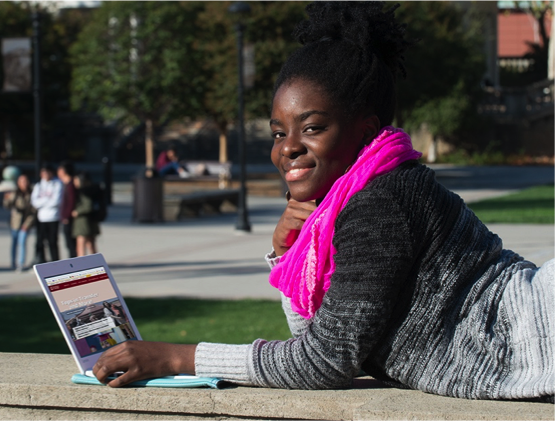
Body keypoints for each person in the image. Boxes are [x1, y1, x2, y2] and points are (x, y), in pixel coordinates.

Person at [91, 0, 554, 402]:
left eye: (311, 128)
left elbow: (323, 362)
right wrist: (291, 252)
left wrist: (174, 356)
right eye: (278, 132)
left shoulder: (384, 200)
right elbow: (323, 342)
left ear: (367, 130)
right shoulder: (360, 199)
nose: (287, 147)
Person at [3, 173, 35, 271]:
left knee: (22, 242)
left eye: (25, 181)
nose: (23, 183)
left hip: (26, 221)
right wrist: (6, 199)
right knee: (14, 242)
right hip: (15, 222)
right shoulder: (15, 193)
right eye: (21, 181)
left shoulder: (32, 193)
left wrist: (28, 224)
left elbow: (34, 211)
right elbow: (7, 206)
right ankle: (13, 262)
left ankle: (21, 264)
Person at [31, 164, 63, 263]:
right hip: (41, 217)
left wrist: (42, 201)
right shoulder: (39, 185)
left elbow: (56, 201)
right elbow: (34, 202)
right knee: (40, 241)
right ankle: (41, 260)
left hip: (53, 217)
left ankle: (55, 262)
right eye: (43, 173)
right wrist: (47, 200)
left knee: (52, 242)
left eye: (46, 172)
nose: (45, 175)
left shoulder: (57, 184)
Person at [72, 172, 102, 256]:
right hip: (91, 221)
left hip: (83, 222)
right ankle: (96, 264)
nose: (74, 182)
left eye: (76, 180)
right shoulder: (93, 189)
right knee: (91, 244)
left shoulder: (84, 192)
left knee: (81, 245)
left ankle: (81, 265)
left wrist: (77, 212)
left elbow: (88, 206)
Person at [57, 161, 77, 259]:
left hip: (69, 218)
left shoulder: (71, 185)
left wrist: (66, 215)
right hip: (66, 217)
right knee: (69, 243)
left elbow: (71, 202)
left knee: (71, 243)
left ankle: (74, 263)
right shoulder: (65, 184)